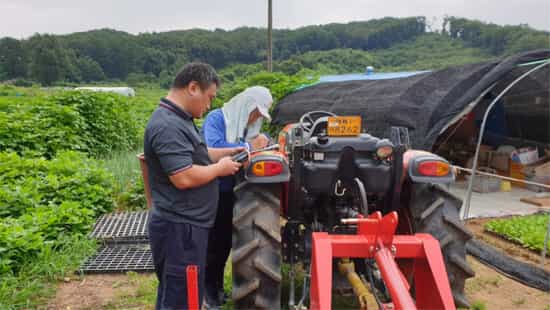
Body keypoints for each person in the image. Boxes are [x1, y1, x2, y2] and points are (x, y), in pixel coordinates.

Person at [144, 62, 244, 310]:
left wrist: (227, 153)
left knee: (178, 293)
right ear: (192, 88)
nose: (209, 105)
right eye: (209, 98)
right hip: (180, 229)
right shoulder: (167, 125)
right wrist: (220, 169)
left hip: (188, 226)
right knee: (181, 298)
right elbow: (184, 176)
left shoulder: (180, 119)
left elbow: (197, 156)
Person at [201, 86, 273, 308]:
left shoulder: (247, 126)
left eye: (260, 116)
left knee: (225, 243)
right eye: (256, 113)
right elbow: (212, 148)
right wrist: (248, 146)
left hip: (239, 190)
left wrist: (264, 142)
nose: (256, 118)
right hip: (215, 190)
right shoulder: (216, 119)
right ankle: (208, 290)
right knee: (213, 243)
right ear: (246, 106)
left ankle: (218, 286)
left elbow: (260, 141)